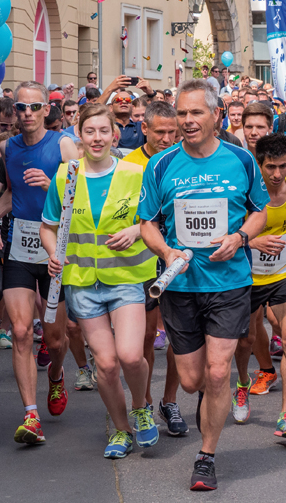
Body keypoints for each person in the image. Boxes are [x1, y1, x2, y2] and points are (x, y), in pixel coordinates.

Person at [138, 79, 269, 491]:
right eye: (182, 113)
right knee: (192, 380)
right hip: (180, 287)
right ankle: (201, 404)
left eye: (196, 112)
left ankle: (206, 456)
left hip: (229, 283)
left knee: (217, 373)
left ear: (216, 115)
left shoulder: (241, 160)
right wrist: (165, 252)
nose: (188, 120)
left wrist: (240, 238)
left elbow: (260, 213)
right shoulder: (161, 165)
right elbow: (147, 223)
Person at [40, 103, 159, 459]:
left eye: (103, 131)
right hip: (82, 284)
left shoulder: (134, 174)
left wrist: (135, 229)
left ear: (114, 134)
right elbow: (49, 227)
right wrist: (52, 253)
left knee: (129, 355)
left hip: (125, 278)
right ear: (79, 134)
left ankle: (140, 406)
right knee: (105, 364)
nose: (96, 138)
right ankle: (121, 430)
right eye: (89, 131)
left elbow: (155, 220)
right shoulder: (66, 175)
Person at [0, 81, 82, 445]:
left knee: (56, 341)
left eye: (33, 107)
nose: (26, 113)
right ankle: (30, 414)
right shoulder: (8, 148)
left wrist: (51, 185)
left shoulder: (63, 145)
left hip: (57, 249)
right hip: (21, 249)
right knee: (22, 332)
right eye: (20, 108)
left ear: (46, 110)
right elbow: (11, 191)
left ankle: (56, 376)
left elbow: (83, 195)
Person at [233, 133, 286, 439]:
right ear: (259, 165)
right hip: (247, 277)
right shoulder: (243, 191)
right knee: (245, 341)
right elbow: (227, 232)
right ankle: (241, 384)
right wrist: (252, 240)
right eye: (270, 168)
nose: (278, 174)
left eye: (283, 166)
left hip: (282, 275)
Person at [123, 101, 188, 436]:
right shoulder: (128, 164)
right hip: (140, 263)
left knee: (178, 337)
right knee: (147, 335)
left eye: (171, 132)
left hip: (178, 260)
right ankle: (145, 401)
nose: (166, 138)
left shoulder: (184, 158)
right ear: (144, 128)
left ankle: (170, 400)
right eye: (159, 131)